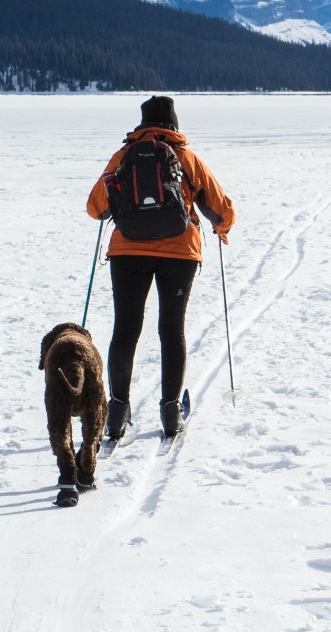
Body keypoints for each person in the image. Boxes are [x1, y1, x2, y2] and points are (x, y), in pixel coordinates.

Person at [86, 95, 235, 440]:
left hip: (127, 252)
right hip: (180, 253)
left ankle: (117, 411)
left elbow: (96, 208)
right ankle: (170, 412)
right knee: (172, 329)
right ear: (174, 124)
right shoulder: (186, 158)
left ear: (142, 124)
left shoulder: (123, 157)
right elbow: (222, 209)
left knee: (125, 328)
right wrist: (220, 230)